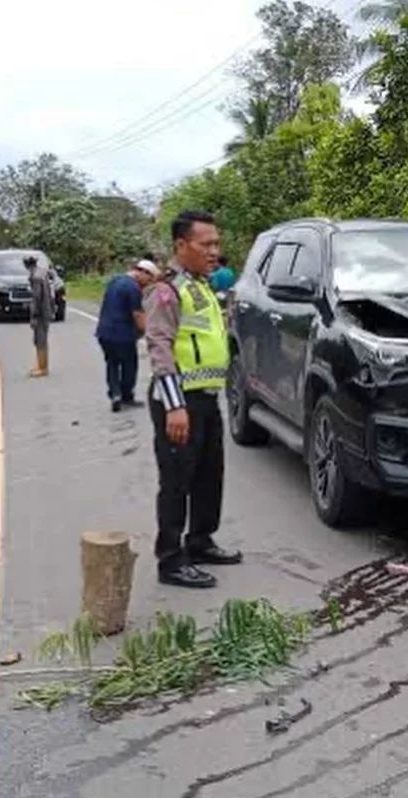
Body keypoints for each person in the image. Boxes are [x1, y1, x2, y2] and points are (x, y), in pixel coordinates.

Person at [144, 210, 241, 589]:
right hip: (179, 402)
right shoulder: (167, 290)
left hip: (206, 398)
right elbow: (160, 348)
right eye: (206, 244)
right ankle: (170, 560)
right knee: (176, 481)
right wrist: (175, 406)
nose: (214, 251)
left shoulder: (202, 286)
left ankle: (200, 541)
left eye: (217, 243)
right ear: (181, 246)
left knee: (208, 475)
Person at [96, 259, 160, 412]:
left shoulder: (114, 281)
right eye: (149, 279)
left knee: (112, 363)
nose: (148, 283)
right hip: (122, 333)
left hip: (104, 332)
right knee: (129, 364)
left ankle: (115, 394)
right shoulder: (133, 288)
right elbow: (138, 315)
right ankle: (127, 396)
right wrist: (147, 333)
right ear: (142, 272)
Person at [25, 255, 53, 378]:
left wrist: (34, 315)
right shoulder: (42, 273)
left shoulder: (35, 277)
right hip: (47, 310)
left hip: (41, 312)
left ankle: (43, 368)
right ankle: (41, 365)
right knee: (41, 340)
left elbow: (36, 298)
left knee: (40, 341)